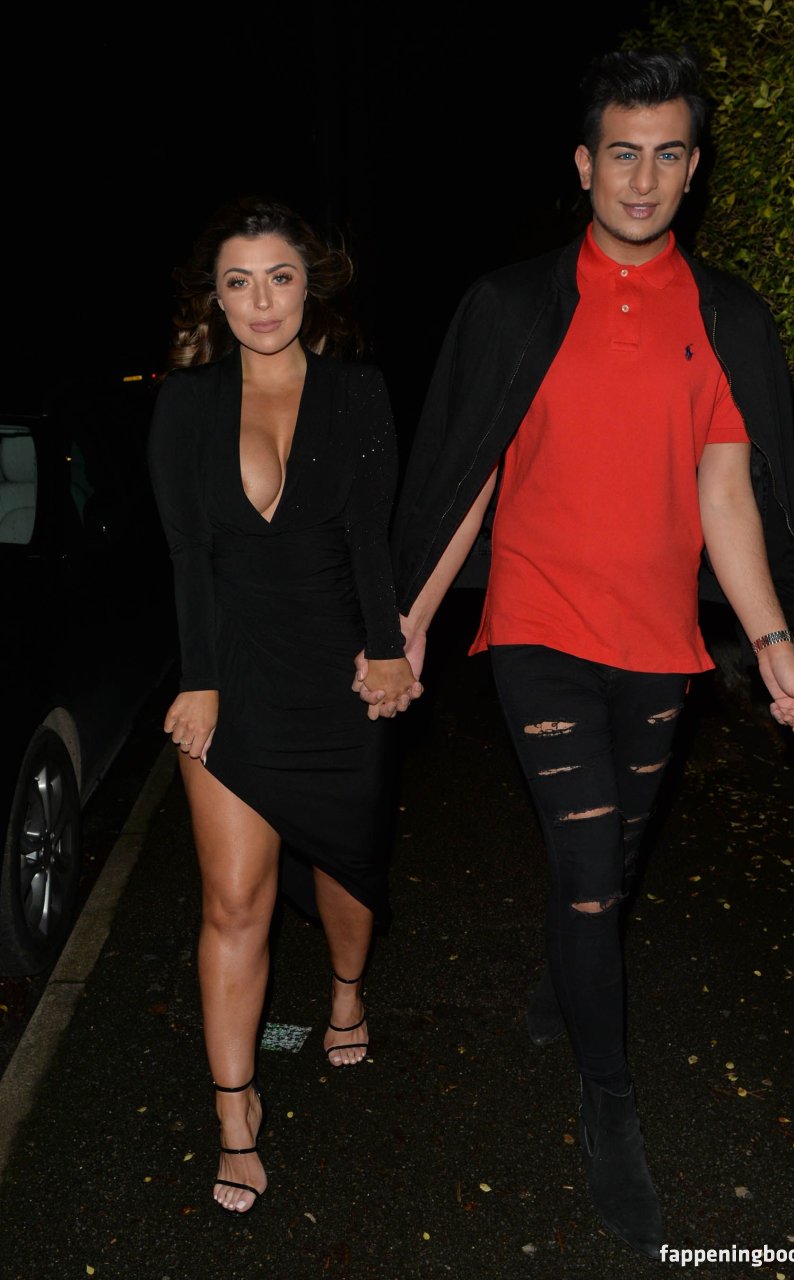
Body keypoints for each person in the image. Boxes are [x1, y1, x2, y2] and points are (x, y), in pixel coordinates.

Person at [355, 49, 794, 1259]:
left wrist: (772, 641)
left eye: (667, 154)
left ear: (693, 169)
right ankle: (609, 1104)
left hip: (657, 640)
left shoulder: (725, 318)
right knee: (583, 866)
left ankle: (562, 977)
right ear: (582, 163)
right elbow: (467, 473)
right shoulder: (514, 305)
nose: (643, 177)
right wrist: (406, 622)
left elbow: (727, 493)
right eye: (622, 152)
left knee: (613, 854)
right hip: (540, 626)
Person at [148, 197, 417, 1214]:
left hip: (336, 673)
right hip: (231, 674)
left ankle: (346, 991)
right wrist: (198, 675)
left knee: (349, 873)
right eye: (239, 282)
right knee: (232, 899)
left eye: (280, 278)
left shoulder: (357, 391)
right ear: (214, 300)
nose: (261, 301)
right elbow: (186, 554)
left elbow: (370, 537)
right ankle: (235, 1109)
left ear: (313, 285)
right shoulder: (186, 402)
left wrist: (386, 651)